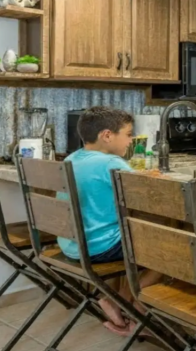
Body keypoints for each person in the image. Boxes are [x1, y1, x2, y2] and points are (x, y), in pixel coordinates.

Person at [56, 106, 163, 336]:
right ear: (107, 136)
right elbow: (149, 195)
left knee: (140, 243)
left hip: (71, 244)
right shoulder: (111, 164)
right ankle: (136, 314)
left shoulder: (72, 158)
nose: (131, 140)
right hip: (98, 247)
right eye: (128, 134)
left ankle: (116, 301)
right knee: (165, 253)